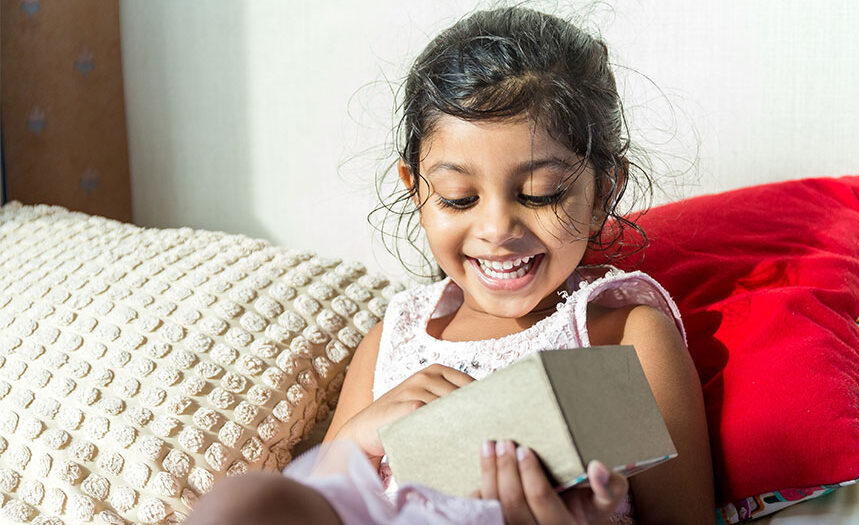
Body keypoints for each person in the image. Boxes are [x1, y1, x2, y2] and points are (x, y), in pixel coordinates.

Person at [186, 6, 714, 525]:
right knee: (240, 504)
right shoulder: (392, 341)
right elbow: (323, 505)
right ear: (416, 191)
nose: (497, 229)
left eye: (540, 194)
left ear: (603, 192)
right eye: (459, 198)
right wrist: (352, 446)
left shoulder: (621, 336)